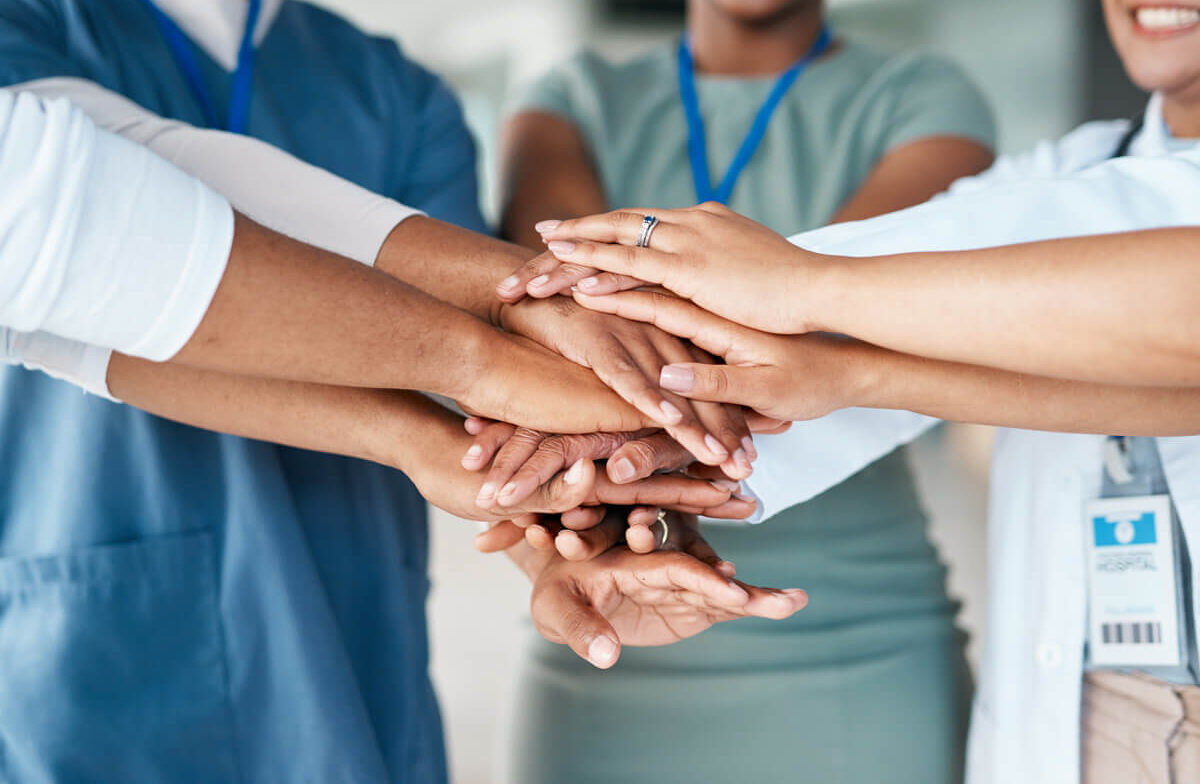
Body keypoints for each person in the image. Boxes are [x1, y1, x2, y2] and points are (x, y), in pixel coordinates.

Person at [0, 2, 803, 780]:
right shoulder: (28, 26)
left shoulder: (394, 89)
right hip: (84, 615)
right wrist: (508, 341)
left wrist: (562, 535)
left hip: (346, 619)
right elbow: (87, 231)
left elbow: (476, 422)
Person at [506, 1, 1200, 780]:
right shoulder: (1069, 170)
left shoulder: (920, 97)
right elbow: (913, 296)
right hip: (1082, 709)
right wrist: (610, 452)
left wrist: (811, 292)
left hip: (858, 627)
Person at [494, 0, 995, 781]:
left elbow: (839, 319)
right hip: (608, 605)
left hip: (855, 632)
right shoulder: (574, 95)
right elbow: (548, 313)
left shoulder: (925, 95)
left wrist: (613, 329)